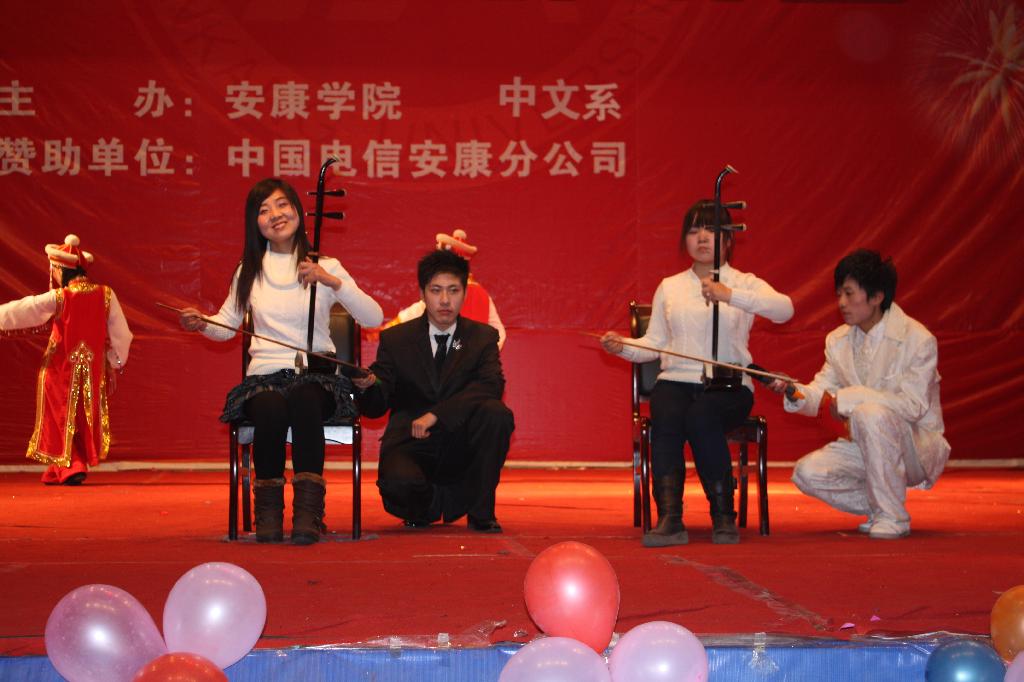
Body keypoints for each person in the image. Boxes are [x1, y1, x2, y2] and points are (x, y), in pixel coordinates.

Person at [179, 178, 383, 545]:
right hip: (265, 378)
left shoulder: (326, 265)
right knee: (270, 406)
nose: (275, 215)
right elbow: (226, 326)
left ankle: (308, 513)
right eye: (264, 210)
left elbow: (373, 316)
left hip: (316, 380)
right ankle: (268, 513)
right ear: (254, 223)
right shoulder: (249, 270)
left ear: (298, 211)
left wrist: (331, 281)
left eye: (281, 204)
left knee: (304, 399)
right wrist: (202, 323)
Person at [601, 200, 793, 546]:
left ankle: (723, 515)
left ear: (729, 239)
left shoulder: (744, 283)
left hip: (728, 386)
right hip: (676, 381)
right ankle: (670, 517)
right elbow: (655, 344)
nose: (702, 237)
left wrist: (730, 295)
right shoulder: (670, 287)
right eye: (693, 231)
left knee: (702, 415)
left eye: (712, 230)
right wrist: (622, 346)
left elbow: (785, 309)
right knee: (667, 412)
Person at [770, 249, 949, 540]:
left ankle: (893, 517)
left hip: (914, 446)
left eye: (849, 293)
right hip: (865, 441)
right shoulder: (837, 341)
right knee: (808, 473)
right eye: (839, 294)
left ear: (877, 296)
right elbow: (822, 392)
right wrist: (792, 390)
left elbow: (913, 406)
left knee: (869, 413)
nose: (841, 303)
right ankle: (882, 506)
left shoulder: (918, 339)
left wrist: (852, 397)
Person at [353, 249, 514, 533]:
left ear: (465, 294)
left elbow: (491, 385)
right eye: (436, 290)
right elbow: (377, 404)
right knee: (399, 484)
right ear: (422, 294)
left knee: (497, 414)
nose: (444, 300)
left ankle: (480, 511)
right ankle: (439, 503)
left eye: (453, 290)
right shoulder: (396, 338)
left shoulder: (481, 337)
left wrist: (437, 415)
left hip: (460, 440)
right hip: (412, 441)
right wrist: (368, 387)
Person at [0, 234, 133, 485]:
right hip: (92, 370)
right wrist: (113, 361)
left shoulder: (61, 296)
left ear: (60, 270)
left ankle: (71, 465)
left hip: (59, 368)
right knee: (80, 415)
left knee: (60, 414)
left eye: (54, 269)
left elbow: (26, 309)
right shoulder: (106, 294)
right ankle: (59, 467)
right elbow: (122, 334)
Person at [380, 229, 506, 350]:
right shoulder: (482, 294)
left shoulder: (444, 290)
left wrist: (387, 328)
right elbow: (499, 333)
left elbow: (418, 312)